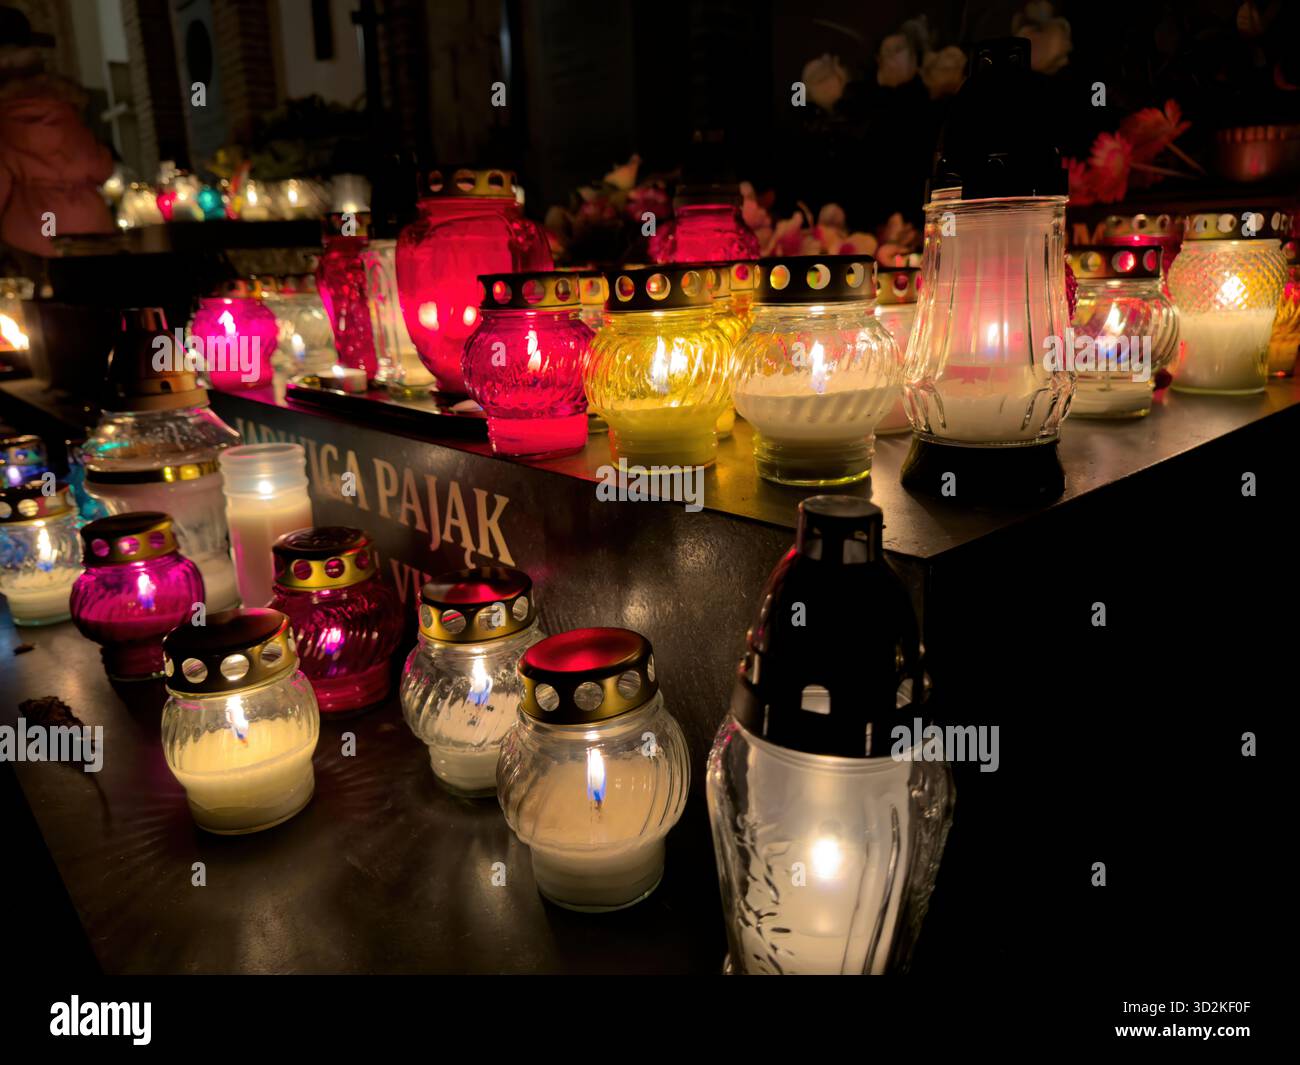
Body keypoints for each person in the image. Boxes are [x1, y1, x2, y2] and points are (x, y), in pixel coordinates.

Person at [0, 6, 113, 257]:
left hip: (32, 234)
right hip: (90, 227)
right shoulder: (66, 108)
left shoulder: (4, 121)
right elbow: (101, 167)